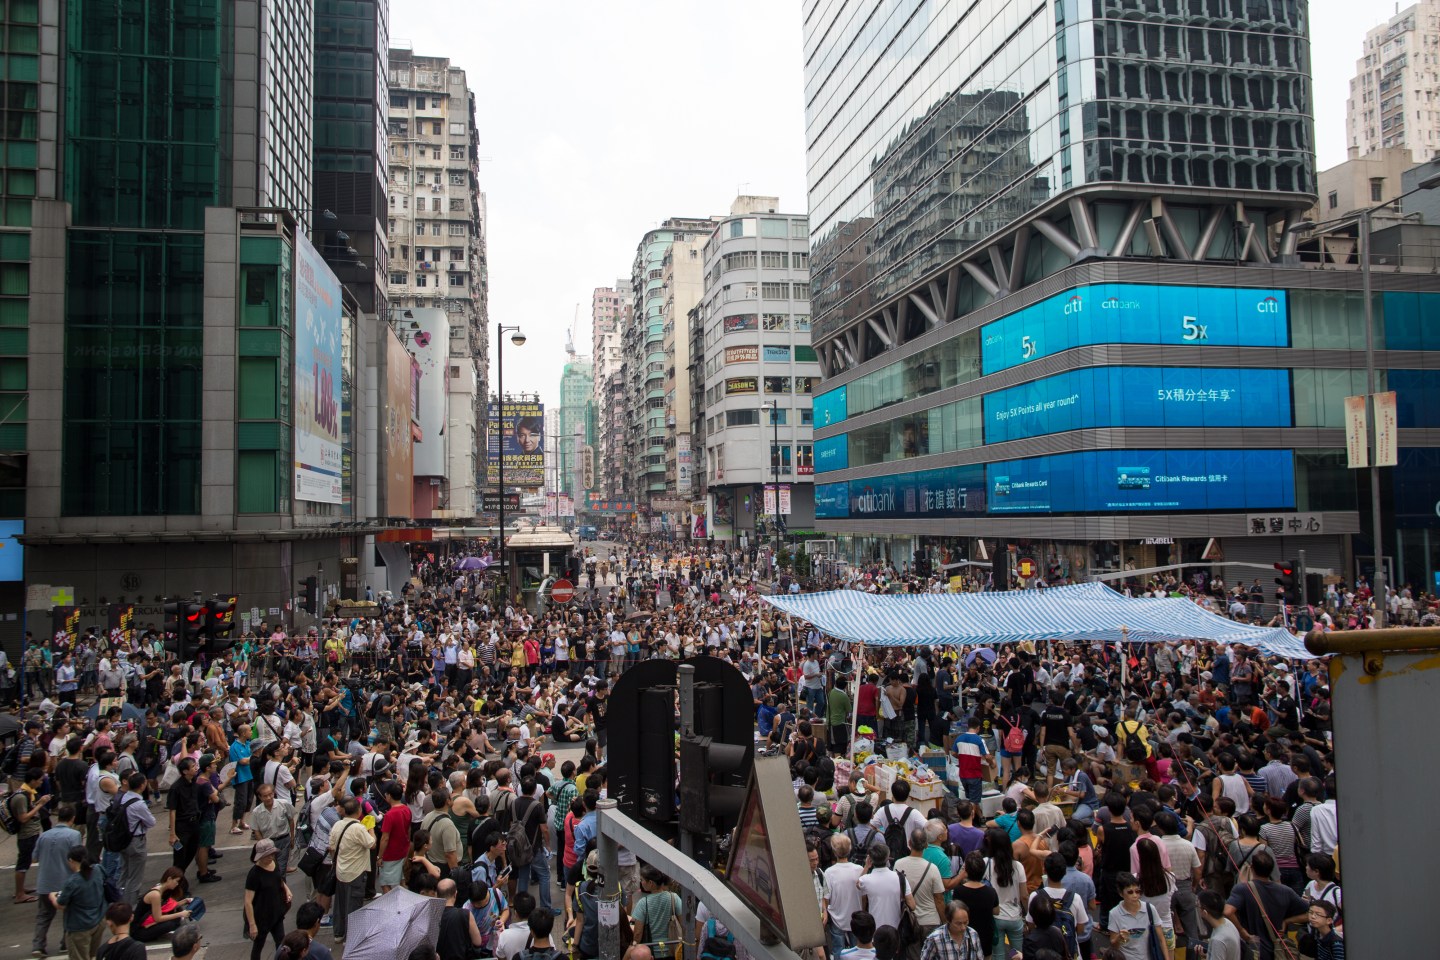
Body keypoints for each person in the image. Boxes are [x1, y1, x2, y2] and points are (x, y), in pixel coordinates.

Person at [1222, 851, 1308, 960]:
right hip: (1277, 951)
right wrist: (1287, 921)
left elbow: (1227, 911)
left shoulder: (1243, 889)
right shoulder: (1286, 891)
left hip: (1252, 950)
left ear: (1252, 867)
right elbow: (1310, 913)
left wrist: (1243, 932)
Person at [33, 802, 84, 957]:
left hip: (45, 882)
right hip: (66, 881)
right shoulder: (74, 835)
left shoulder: (44, 835)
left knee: (43, 916)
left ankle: (38, 946)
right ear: (72, 818)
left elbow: (34, 857)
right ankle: (65, 943)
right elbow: (78, 858)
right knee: (69, 913)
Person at [329, 797, 375, 942]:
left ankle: (338, 932)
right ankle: (352, 937)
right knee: (354, 905)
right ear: (359, 810)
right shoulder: (359, 828)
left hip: (341, 870)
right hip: (356, 872)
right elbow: (372, 844)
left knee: (340, 904)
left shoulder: (337, 825)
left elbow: (331, 847)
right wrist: (371, 829)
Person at [54, 845, 108, 960]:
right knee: (93, 956)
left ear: (71, 860)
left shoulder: (73, 882)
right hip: (99, 920)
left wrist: (51, 896)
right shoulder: (98, 869)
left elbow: (60, 904)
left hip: (80, 927)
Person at [245, 838, 293, 960]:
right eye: (267, 855)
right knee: (258, 947)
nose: (270, 857)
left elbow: (278, 879)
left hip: (276, 912)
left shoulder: (274, 862)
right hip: (261, 917)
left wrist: (287, 889)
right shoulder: (254, 874)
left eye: (272, 854)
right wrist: (252, 925)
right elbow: (248, 902)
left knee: (281, 944)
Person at [983, 827, 1027, 960]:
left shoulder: (986, 863)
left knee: (998, 955)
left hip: (995, 917)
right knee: (1017, 953)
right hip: (1015, 916)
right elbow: (1024, 895)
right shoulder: (1017, 866)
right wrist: (1027, 914)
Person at [1106, 872, 1171, 960]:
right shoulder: (1114, 914)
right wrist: (1119, 938)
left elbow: (1161, 939)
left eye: (1137, 891)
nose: (1135, 895)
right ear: (1121, 893)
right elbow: (1113, 944)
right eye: (1130, 892)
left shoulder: (1149, 909)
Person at [13, 765, 52, 904]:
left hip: (32, 833)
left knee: (26, 862)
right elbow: (23, 818)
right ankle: (19, 894)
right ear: (33, 780)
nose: (41, 782)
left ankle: (21, 889)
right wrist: (40, 804)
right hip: (27, 834)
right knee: (23, 863)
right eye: (40, 780)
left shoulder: (28, 793)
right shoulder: (21, 797)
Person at [857, 841, 910, 934]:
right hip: (896, 927)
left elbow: (858, 883)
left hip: (875, 928)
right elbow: (912, 905)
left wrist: (866, 866)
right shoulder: (900, 877)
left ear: (871, 859)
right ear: (888, 858)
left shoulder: (865, 880)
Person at [133, 867, 196, 943]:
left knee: (175, 917)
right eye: (176, 881)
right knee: (173, 922)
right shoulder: (155, 894)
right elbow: (158, 918)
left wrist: (184, 901)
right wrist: (180, 914)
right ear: (169, 879)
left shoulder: (160, 889)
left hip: (145, 923)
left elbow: (164, 907)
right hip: (139, 931)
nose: (177, 884)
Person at [631, 865, 683, 957]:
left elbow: (638, 934)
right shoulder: (674, 898)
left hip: (651, 952)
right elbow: (684, 924)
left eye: (642, 880)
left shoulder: (643, 903)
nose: (641, 882)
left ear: (650, 883)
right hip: (673, 950)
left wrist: (633, 947)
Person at [436, 877, 484, 960]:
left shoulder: (432, 915)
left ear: (437, 895)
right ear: (455, 894)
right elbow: (477, 942)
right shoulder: (465, 914)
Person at [919, 901, 985, 960]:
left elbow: (980, 957)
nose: (963, 927)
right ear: (948, 920)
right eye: (958, 924)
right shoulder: (935, 939)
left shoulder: (973, 934)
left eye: (965, 922)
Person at [1197, 890, 1242, 960]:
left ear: (1205, 912)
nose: (1197, 910)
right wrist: (1207, 956)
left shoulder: (1218, 940)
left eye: (1198, 907)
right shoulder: (1228, 923)